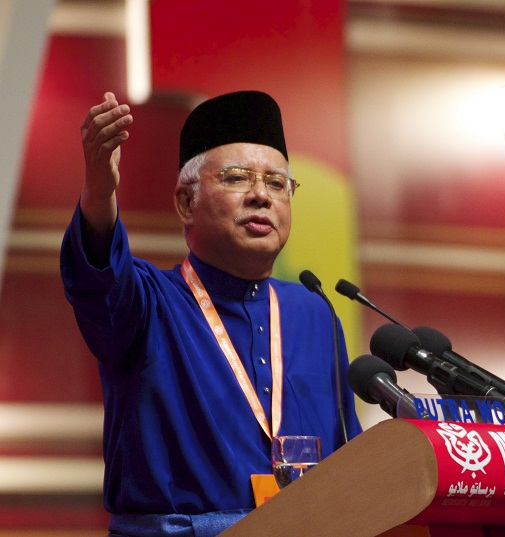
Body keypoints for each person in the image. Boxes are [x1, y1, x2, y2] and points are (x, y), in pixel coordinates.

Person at [60, 90, 362, 536]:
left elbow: (351, 464)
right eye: (238, 178)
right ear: (186, 203)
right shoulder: (149, 301)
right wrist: (99, 190)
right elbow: (97, 273)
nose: (261, 195)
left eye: (278, 183)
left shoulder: (314, 313)